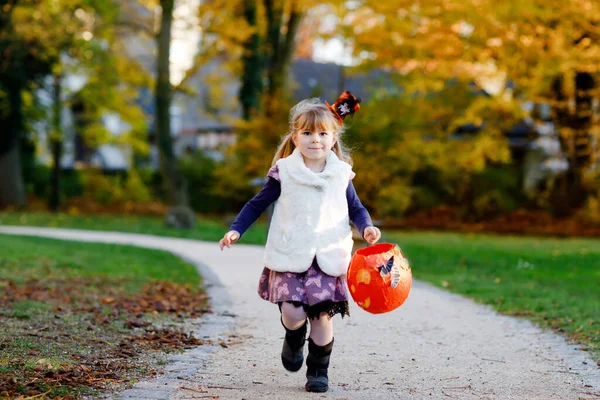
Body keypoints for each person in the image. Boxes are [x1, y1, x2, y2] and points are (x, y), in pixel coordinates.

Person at [219, 91, 381, 393]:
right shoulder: (286, 172)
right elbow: (256, 204)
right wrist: (236, 230)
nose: (315, 139)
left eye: (322, 133)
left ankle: (318, 370)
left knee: (321, 315)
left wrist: (367, 227)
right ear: (295, 137)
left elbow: (356, 208)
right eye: (307, 133)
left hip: (329, 256)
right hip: (291, 253)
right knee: (293, 313)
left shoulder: (340, 174)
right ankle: (293, 336)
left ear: (333, 139)